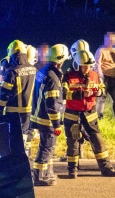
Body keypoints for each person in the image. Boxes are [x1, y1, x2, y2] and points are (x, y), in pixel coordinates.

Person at [62, 49, 115, 178]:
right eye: (84, 66)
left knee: (98, 141)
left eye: (89, 66)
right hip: (73, 115)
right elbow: (63, 93)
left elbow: (102, 89)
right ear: (77, 65)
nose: (87, 69)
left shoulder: (94, 75)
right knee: (73, 142)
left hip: (90, 114)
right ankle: (72, 170)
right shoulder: (69, 76)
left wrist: (97, 92)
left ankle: (106, 168)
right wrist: (81, 94)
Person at [30, 44, 69, 186]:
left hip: (39, 115)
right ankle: (39, 176)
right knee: (47, 146)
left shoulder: (44, 71)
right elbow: (52, 105)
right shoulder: (53, 78)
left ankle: (47, 173)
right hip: (47, 120)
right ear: (61, 59)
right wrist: (57, 124)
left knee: (48, 146)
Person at [0, 41, 36, 157]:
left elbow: (4, 94)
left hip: (13, 112)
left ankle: (15, 161)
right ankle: (25, 159)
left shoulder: (12, 72)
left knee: (13, 138)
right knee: (25, 136)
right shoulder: (33, 69)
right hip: (28, 110)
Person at [95, 32, 115, 120]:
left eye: (113, 40)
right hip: (104, 77)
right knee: (102, 97)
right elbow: (97, 64)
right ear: (106, 40)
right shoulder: (101, 50)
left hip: (112, 78)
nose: (112, 41)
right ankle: (99, 116)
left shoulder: (114, 51)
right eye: (110, 39)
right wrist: (100, 77)